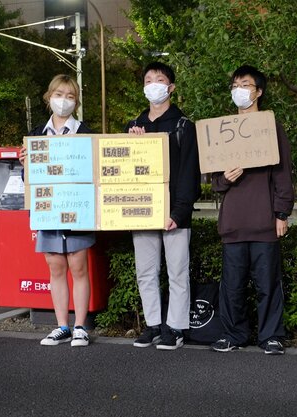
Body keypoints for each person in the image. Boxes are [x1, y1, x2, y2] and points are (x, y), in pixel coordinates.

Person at [209, 65, 294, 355]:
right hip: (233, 222)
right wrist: (225, 178)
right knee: (232, 285)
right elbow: (214, 182)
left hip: (263, 221)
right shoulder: (222, 131)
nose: (239, 91)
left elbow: (283, 174)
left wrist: (281, 213)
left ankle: (271, 335)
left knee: (268, 283)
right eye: (234, 85)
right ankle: (234, 333)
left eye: (244, 85)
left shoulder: (272, 128)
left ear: (258, 91)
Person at [126, 62, 201, 351]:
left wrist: (179, 212)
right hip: (142, 211)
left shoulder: (184, 126)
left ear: (171, 87)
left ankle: (176, 327)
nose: (153, 84)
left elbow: (189, 173)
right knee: (145, 271)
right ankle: (154, 324)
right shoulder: (133, 127)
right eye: (148, 79)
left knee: (177, 272)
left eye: (159, 79)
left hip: (175, 213)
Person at [20, 74, 95, 347]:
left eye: (70, 96)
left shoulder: (85, 133)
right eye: (59, 94)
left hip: (77, 210)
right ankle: (62, 325)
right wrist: (26, 163)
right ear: (48, 97)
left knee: (78, 266)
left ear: (75, 102)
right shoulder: (36, 135)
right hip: (48, 210)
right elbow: (28, 180)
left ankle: (80, 327)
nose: (63, 101)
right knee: (55, 266)